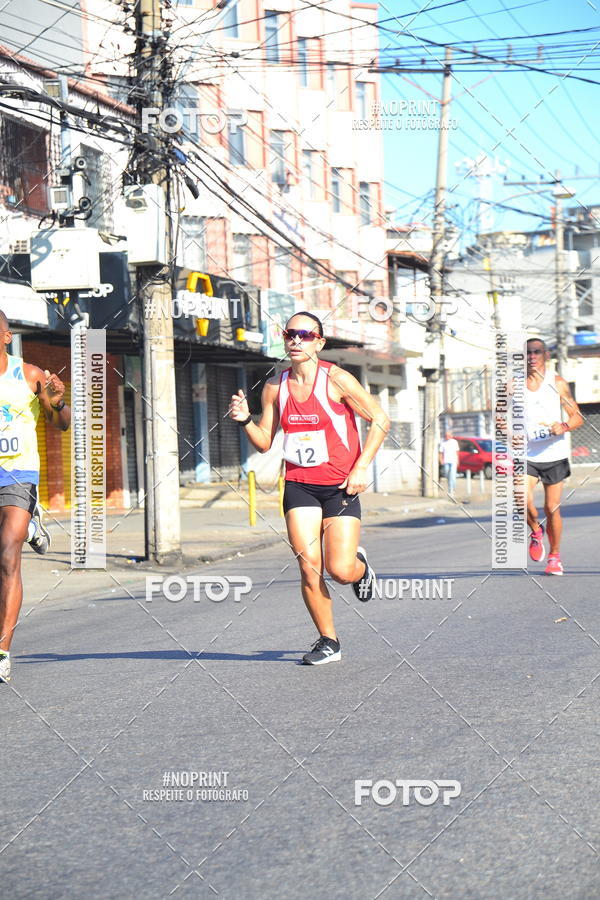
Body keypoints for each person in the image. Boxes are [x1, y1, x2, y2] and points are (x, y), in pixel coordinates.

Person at [229, 311, 389, 665]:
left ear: (320, 342)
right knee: (307, 566)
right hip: (299, 485)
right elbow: (264, 442)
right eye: (290, 334)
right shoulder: (275, 386)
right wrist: (244, 421)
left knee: (340, 570)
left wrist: (362, 467)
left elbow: (380, 418)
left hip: (340, 485)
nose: (296, 341)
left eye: (305, 335)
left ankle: (360, 568)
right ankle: (328, 641)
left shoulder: (338, 380)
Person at [0, 311, 71, 683]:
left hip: (18, 474)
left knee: (7, 552)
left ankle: (2, 650)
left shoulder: (28, 375)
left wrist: (57, 401)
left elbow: (59, 423)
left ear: (6, 336)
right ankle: (30, 527)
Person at [526, 337, 583, 575]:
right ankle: (535, 530)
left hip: (554, 453)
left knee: (552, 508)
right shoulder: (512, 386)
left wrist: (564, 426)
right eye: (527, 353)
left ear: (545, 355)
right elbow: (501, 417)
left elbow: (577, 417)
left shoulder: (557, 383)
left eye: (536, 352)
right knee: (519, 498)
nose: (531, 357)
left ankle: (554, 556)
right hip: (526, 453)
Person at [439, 431, 459, 496]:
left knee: (453, 475)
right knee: (447, 474)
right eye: (446, 435)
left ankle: (452, 489)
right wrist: (441, 460)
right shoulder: (443, 442)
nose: (447, 436)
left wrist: (458, 460)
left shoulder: (454, 442)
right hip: (446, 461)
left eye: (448, 435)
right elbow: (441, 452)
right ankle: (450, 487)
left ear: (451, 436)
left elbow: (457, 452)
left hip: (453, 461)